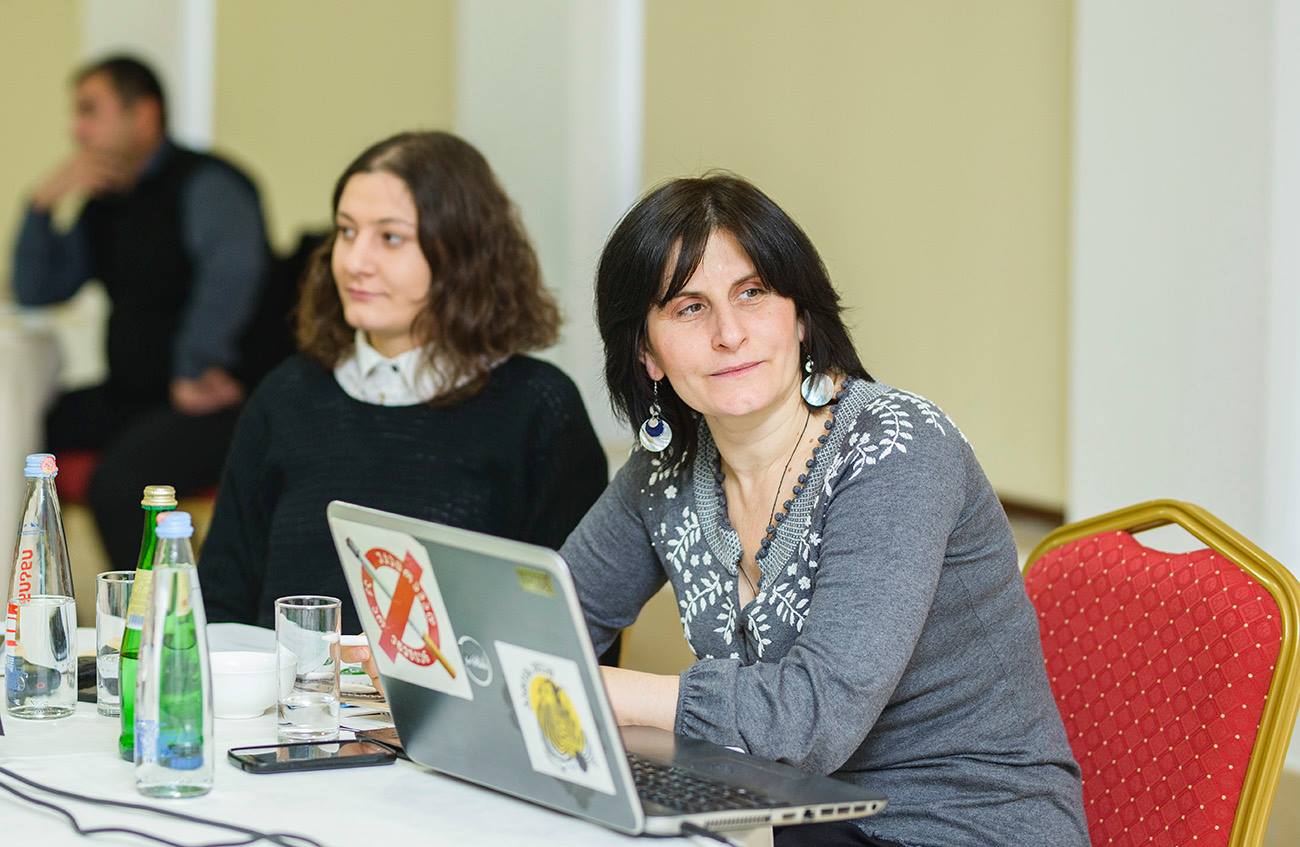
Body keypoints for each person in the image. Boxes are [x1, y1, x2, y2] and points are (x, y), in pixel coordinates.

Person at [558, 174, 1088, 846]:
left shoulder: (898, 447)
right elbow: (545, 616)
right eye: (689, 308)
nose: (729, 333)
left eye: (753, 293)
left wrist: (606, 690)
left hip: (968, 822)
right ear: (646, 352)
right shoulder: (664, 472)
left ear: (801, 315)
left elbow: (814, 718)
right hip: (804, 817)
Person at [198, 131, 610, 641]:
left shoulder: (539, 407)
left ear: (462, 252)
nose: (355, 261)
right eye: (346, 231)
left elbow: (577, 633)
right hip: (282, 692)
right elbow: (220, 599)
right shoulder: (285, 396)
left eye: (390, 238)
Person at [10, 55, 270, 572]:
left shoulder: (207, 185)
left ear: (144, 116)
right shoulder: (104, 202)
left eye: (90, 111)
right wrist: (40, 205)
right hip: (135, 395)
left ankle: (160, 611)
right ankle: (27, 597)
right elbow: (36, 290)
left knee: (120, 485)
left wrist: (194, 366)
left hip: (211, 399)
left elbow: (233, 275)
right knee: (19, 435)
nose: (77, 129)